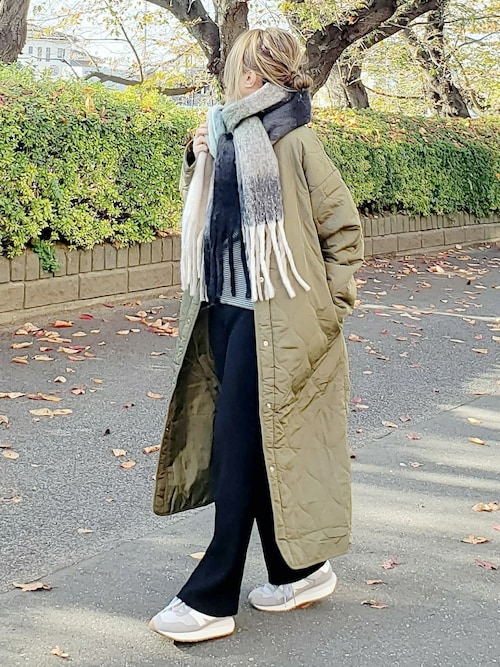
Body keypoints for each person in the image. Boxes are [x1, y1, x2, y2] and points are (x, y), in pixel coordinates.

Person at [149, 27, 364, 643]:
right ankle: (299, 572)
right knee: (257, 443)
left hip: (276, 318)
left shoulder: (294, 138)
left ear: (251, 74)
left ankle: (212, 595)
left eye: (238, 65)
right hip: (223, 307)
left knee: (237, 447)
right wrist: (199, 160)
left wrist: (328, 311)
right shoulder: (223, 132)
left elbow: (343, 229)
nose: (232, 75)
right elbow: (215, 217)